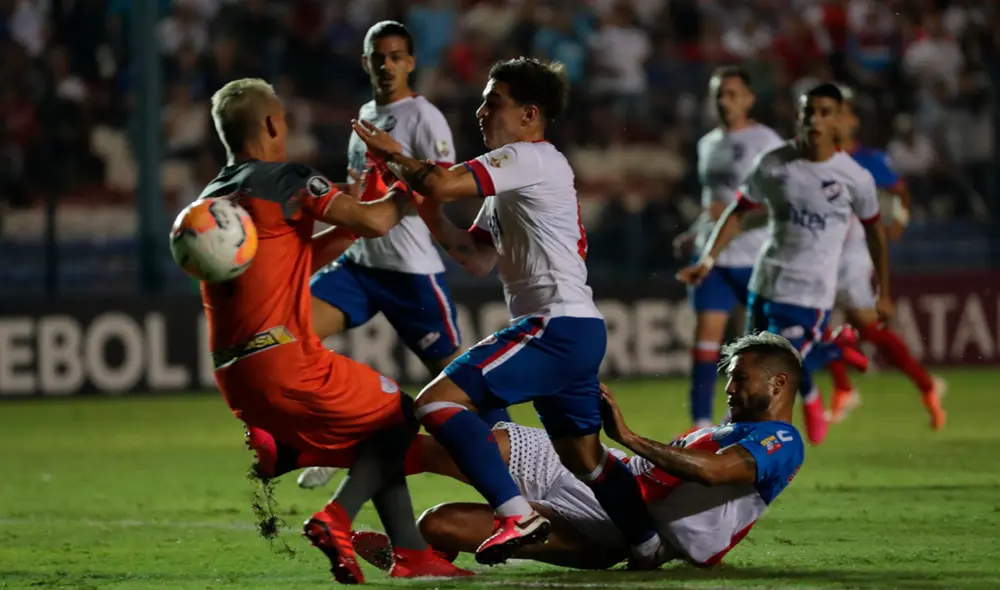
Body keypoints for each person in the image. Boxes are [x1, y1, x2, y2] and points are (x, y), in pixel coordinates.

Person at [351, 57, 666, 568]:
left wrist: (398, 158)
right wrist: (423, 198)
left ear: (529, 115)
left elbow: (441, 182)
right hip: (575, 328)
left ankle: (516, 513)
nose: (480, 112)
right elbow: (472, 255)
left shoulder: (529, 157)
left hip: (553, 324)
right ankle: (647, 545)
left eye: (493, 102)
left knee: (436, 405)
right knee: (585, 460)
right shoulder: (514, 178)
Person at [199, 78, 470, 583]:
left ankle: (411, 555)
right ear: (271, 123)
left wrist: (344, 228)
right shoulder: (288, 179)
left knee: (375, 432)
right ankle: (337, 515)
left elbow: (288, 263)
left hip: (235, 377)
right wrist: (408, 179)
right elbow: (379, 221)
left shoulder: (214, 199)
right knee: (401, 415)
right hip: (285, 361)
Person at [349, 332, 805, 570]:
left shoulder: (783, 442)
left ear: (778, 383)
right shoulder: (734, 428)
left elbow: (715, 473)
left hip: (626, 529)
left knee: (438, 522)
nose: (728, 387)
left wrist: (627, 436)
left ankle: (418, 550)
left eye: (740, 378)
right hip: (607, 476)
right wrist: (626, 448)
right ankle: (334, 453)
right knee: (459, 447)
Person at [299, 21, 510, 491]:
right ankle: (343, 435)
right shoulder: (364, 117)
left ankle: (514, 444)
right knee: (293, 334)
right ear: (366, 62)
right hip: (360, 264)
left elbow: (440, 185)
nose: (387, 64)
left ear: (411, 62)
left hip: (410, 271)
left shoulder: (424, 117)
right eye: (379, 56)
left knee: (458, 381)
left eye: (396, 56)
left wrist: (393, 191)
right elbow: (356, 192)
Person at [678, 83, 888, 447]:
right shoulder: (775, 163)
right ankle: (731, 443)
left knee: (775, 368)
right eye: (810, 112)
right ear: (799, 115)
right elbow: (738, 211)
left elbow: (875, 234)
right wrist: (708, 257)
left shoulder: (855, 178)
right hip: (765, 283)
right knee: (747, 369)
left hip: (810, 294)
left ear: (839, 119)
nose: (815, 120)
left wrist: (882, 291)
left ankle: (722, 444)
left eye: (825, 112)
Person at [823, 86, 947, 429]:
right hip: (824, 250)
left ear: (851, 121)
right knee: (842, 326)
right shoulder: (820, 157)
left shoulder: (869, 159)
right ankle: (922, 384)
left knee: (827, 323)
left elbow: (901, 191)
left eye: (838, 113)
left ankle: (851, 388)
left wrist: (899, 224)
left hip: (852, 253)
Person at [674, 66, 783, 429]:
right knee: (705, 340)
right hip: (713, 257)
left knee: (756, 349)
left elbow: (781, 205)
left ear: (750, 98)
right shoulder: (707, 143)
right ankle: (700, 422)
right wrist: (696, 231)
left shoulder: (767, 142)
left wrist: (737, 218)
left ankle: (748, 420)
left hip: (755, 256)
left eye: (733, 93)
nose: (724, 101)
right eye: (719, 93)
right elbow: (713, 205)